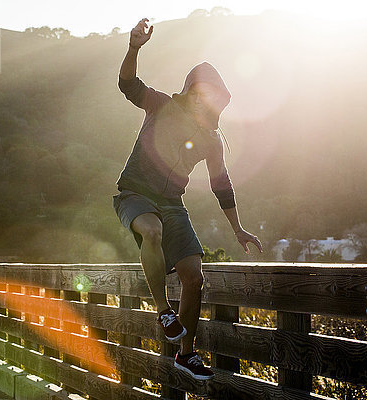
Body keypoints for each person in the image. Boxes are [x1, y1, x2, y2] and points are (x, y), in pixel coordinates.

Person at [112, 18, 263, 381]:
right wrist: (134, 47)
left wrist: (238, 229)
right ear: (189, 91)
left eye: (212, 96)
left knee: (195, 277)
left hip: (172, 204)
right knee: (151, 231)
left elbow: (221, 183)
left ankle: (187, 353)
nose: (203, 100)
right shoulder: (162, 105)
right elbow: (127, 85)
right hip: (134, 193)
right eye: (199, 92)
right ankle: (164, 310)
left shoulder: (211, 140)